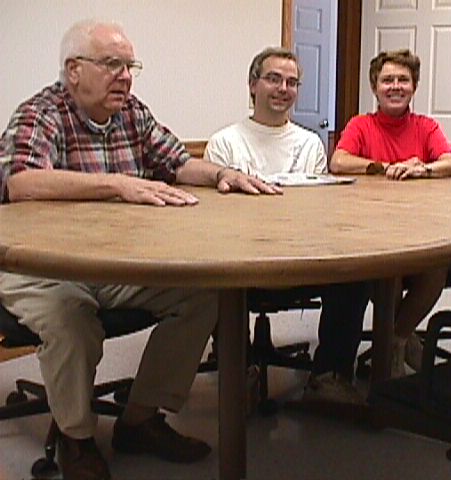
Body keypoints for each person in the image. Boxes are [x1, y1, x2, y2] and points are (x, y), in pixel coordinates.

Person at [0, 20, 279, 480]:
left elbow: (176, 161)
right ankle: (76, 437)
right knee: (70, 319)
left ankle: (140, 419)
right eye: (112, 64)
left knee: (203, 295)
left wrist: (219, 175)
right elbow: (22, 182)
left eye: (130, 66)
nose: (125, 77)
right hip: (41, 266)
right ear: (73, 70)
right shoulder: (42, 113)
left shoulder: (132, 112)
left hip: (114, 263)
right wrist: (117, 185)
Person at [204, 47, 371, 403]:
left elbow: (315, 213)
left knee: (357, 272)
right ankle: (240, 368)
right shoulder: (224, 143)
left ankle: (329, 374)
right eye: (273, 79)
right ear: (253, 86)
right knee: (210, 274)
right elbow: (217, 220)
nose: (283, 88)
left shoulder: (310, 143)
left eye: (292, 82)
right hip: (241, 255)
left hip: (301, 253)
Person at [330, 49, 451, 377]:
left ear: (414, 87)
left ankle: (396, 339)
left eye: (403, 80)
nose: (395, 86)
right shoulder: (361, 125)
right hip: (369, 230)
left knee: (436, 268)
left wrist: (424, 171)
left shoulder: (425, 126)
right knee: (388, 273)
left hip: (417, 226)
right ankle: (399, 343)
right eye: (387, 80)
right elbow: (339, 161)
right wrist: (388, 167)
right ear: (375, 87)